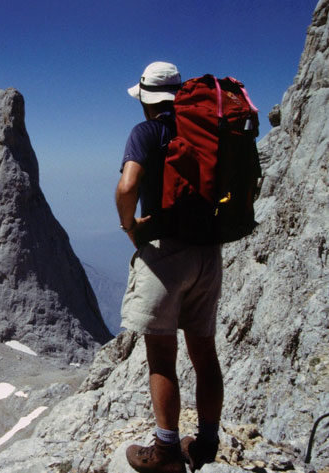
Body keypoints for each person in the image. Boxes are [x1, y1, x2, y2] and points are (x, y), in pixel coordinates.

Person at [115, 61, 224, 473]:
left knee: (162, 357)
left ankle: (165, 455)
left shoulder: (147, 131)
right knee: (204, 354)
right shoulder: (205, 129)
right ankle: (207, 446)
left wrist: (131, 229)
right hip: (208, 254)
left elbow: (128, 186)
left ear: (145, 98)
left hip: (166, 255)